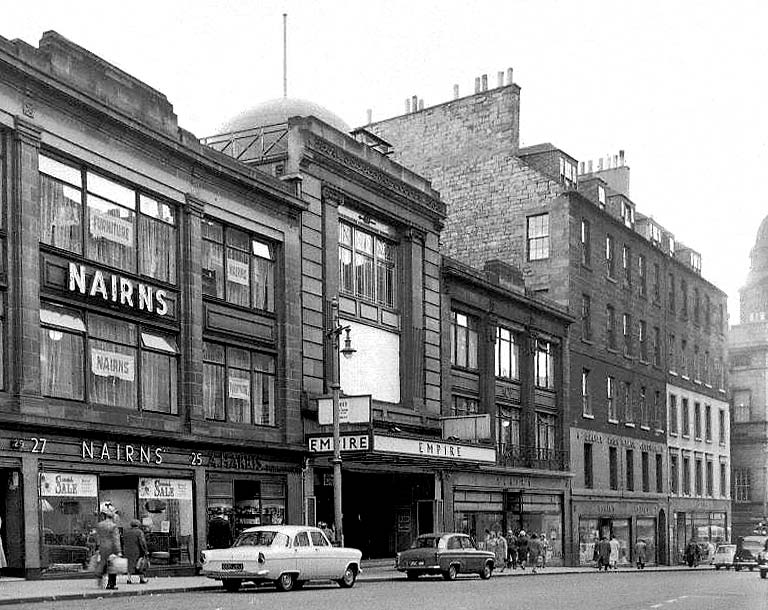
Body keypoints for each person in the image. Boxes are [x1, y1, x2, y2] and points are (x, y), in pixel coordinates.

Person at [94, 501, 122, 590]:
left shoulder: (100, 525)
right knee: (112, 566)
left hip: (102, 547)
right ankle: (111, 584)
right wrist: (119, 551)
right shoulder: (113, 526)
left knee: (102, 563)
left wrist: (97, 547)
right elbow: (116, 539)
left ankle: (100, 579)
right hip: (111, 548)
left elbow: (97, 537)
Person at [123, 519, 149, 584]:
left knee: (130, 565)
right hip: (137, 550)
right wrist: (145, 550)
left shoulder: (126, 531)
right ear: (138, 524)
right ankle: (142, 579)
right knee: (141, 564)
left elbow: (123, 541)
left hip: (127, 550)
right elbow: (142, 542)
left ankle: (129, 579)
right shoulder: (139, 532)